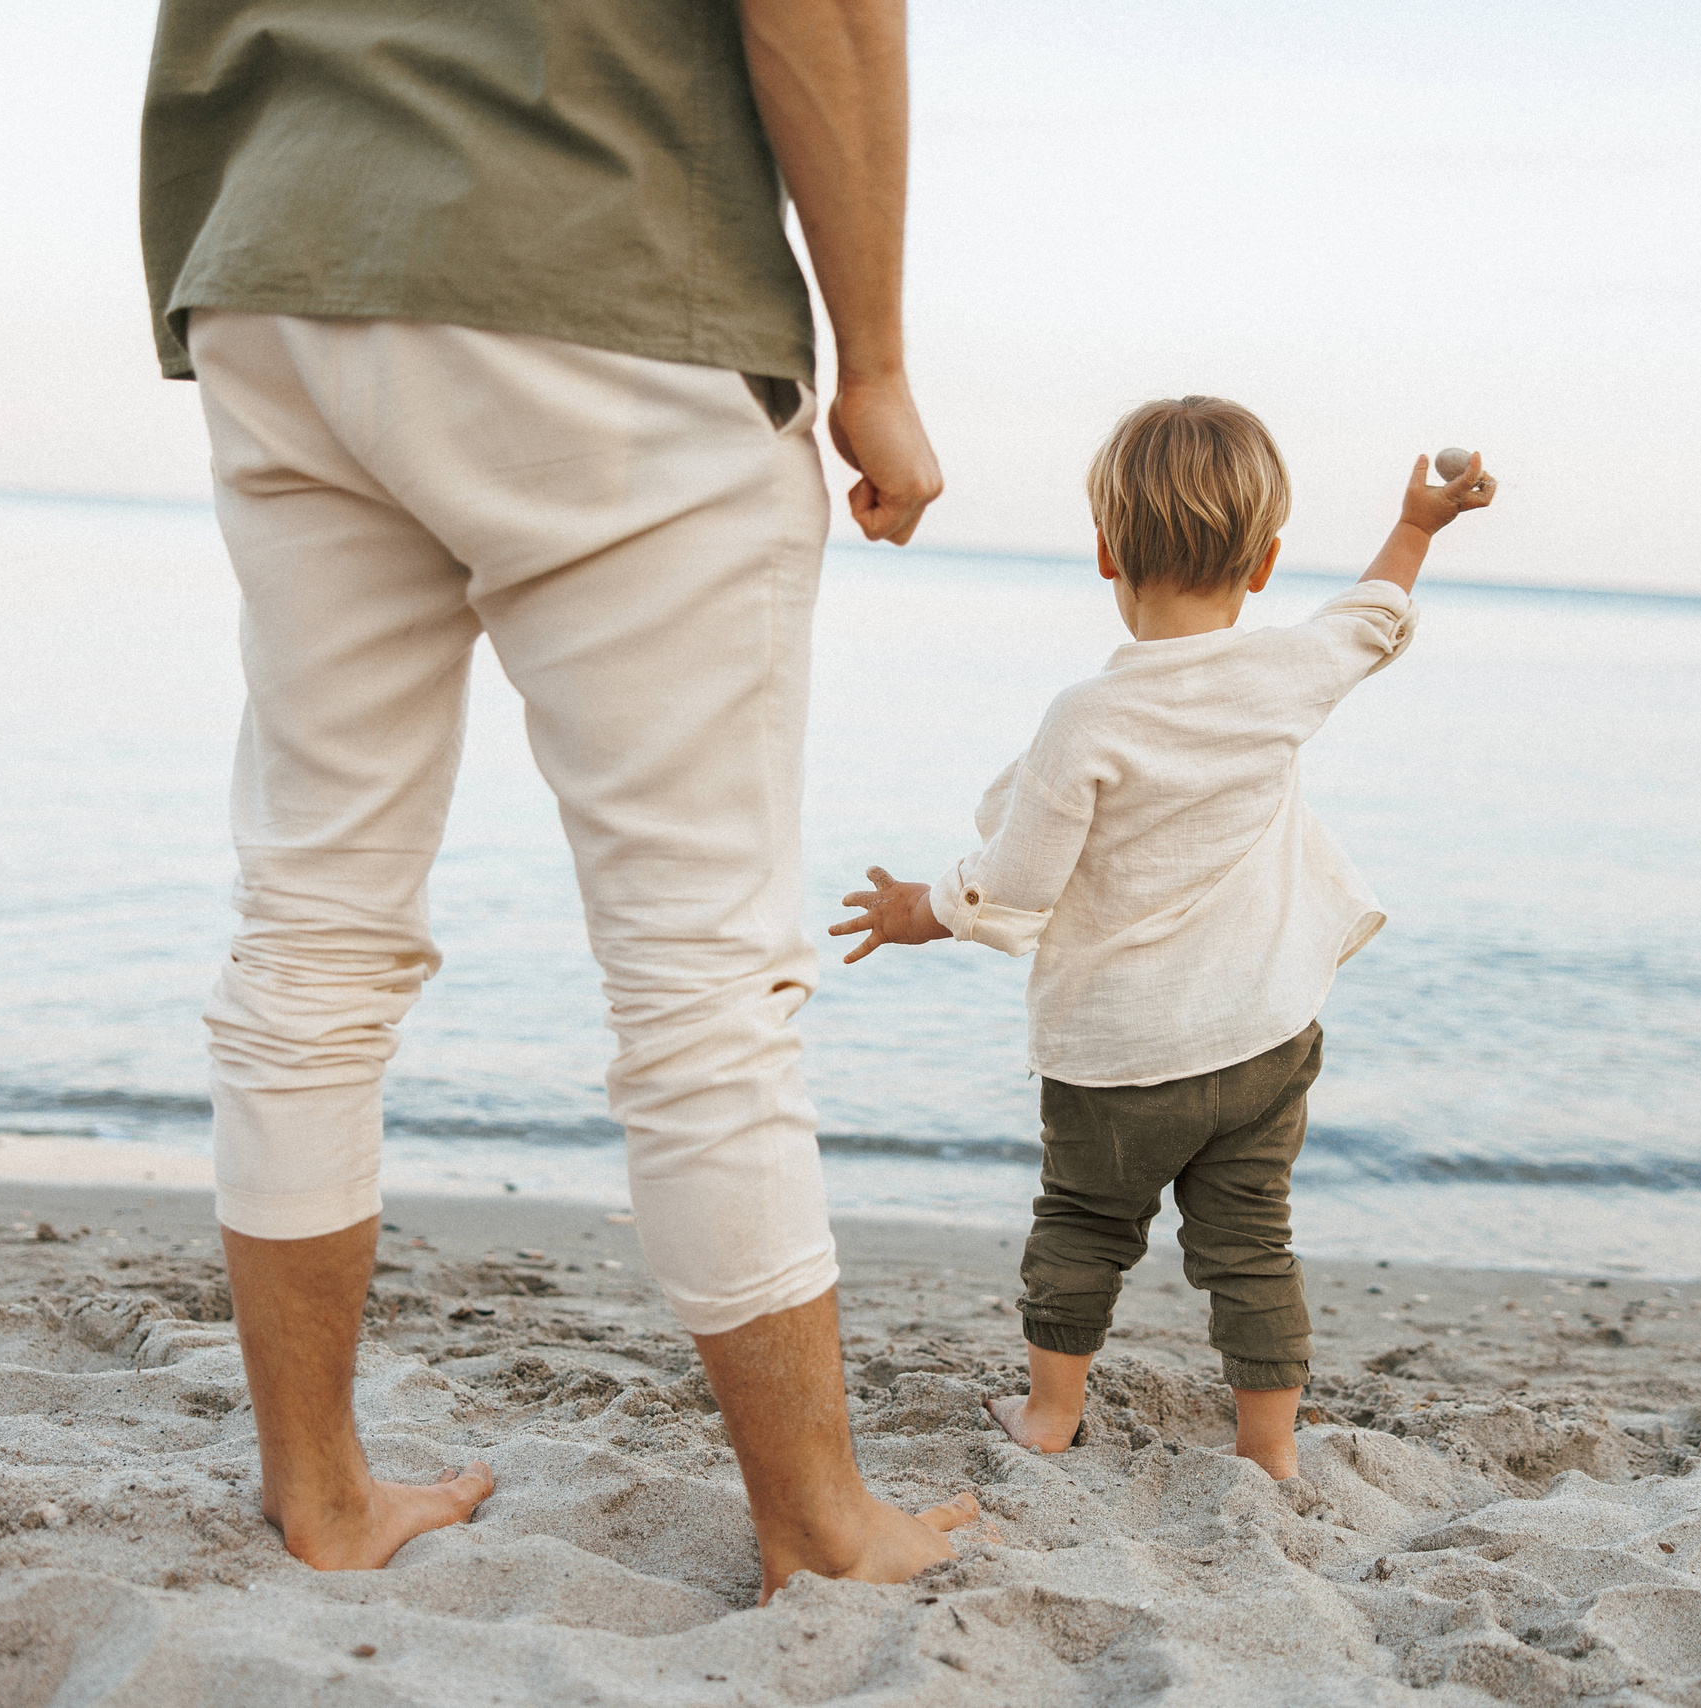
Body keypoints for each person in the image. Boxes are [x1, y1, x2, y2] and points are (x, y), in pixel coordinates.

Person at [138, 0, 974, 1590]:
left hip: (282, 258)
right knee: (702, 971)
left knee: (312, 918)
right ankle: (813, 1522)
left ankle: (319, 1497)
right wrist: (875, 358)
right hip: (602, 262)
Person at [829, 398, 1495, 1478]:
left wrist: (920, 909)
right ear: (1268, 561)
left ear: (1104, 552)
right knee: (1250, 1245)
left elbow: (1015, 884)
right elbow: (1371, 616)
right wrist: (1418, 525)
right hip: (1263, 1036)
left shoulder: (1088, 717)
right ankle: (1269, 1448)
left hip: (1117, 1058)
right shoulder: (1287, 671)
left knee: (1083, 1227)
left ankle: (1049, 1418)